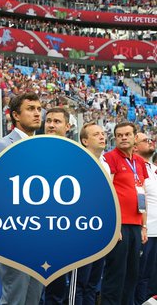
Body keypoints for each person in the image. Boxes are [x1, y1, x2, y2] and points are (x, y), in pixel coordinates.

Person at [0, 92, 44, 305]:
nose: (37, 113)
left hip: (41, 234)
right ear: (15, 115)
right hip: (16, 235)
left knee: (33, 297)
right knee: (14, 297)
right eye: (30, 109)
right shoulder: (2, 147)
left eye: (39, 109)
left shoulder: (43, 148)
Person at [102, 121, 148, 305]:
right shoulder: (110, 157)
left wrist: (144, 225)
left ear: (134, 137)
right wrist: (113, 222)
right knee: (116, 274)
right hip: (119, 225)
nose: (123, 138)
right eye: (119, 135)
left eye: (127, 134)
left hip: (136, 225)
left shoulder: (139, 162)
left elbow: (142, 192)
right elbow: (106, 191)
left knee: (132, 273)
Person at [72, 123, 109, 305]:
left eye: (103, 134)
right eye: (96, 134)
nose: (102, 137)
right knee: (79, 282)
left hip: (100, 231)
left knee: (93, 283)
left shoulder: (106, 165)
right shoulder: (77, 162)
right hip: (82, 232)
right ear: (85, 141)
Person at [41, 108, 71, 305]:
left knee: (57, 289)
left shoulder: (75, 156)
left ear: (67, 127)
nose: (51, 125)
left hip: (63, 232)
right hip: (36, 230)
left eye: (57, 121)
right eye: (49, 121)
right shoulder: (33, 151)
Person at [135, 132, 157, 304]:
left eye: (150, 140)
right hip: (145, 231)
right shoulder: (136, 167)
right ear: (135, 146)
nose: (150, 142)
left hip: (155, 232)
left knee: (149, 277)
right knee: (139, 276)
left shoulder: (151, 169)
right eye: (145, 140)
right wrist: (143, 227)